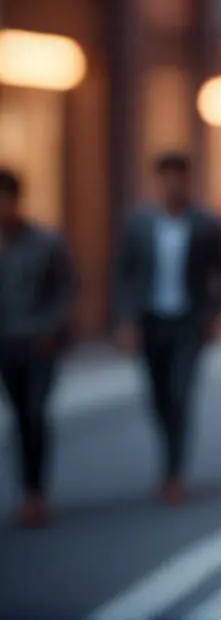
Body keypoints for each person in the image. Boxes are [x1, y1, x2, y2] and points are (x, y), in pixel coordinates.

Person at [111, 152, 221, 505]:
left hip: (189, 324)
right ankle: (168, 456)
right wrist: (125, 319)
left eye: (178, 177)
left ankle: (174, 472)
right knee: (158, 398)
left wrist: (214, 313)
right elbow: (124, 273)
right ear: (158, 181)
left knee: (181, 395)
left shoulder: (206, 224)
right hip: (151, 322)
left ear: (187, 180)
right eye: (166, 178)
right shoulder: (139, 225)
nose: (172, 185)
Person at [0, 168, 77, 528]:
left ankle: (36, 493)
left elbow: (68, 288)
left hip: (40, 344)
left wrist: (52, 327)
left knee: (35, 413)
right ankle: (26, 488)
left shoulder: (47, 242)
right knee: (18, 418)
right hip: (6, 344)